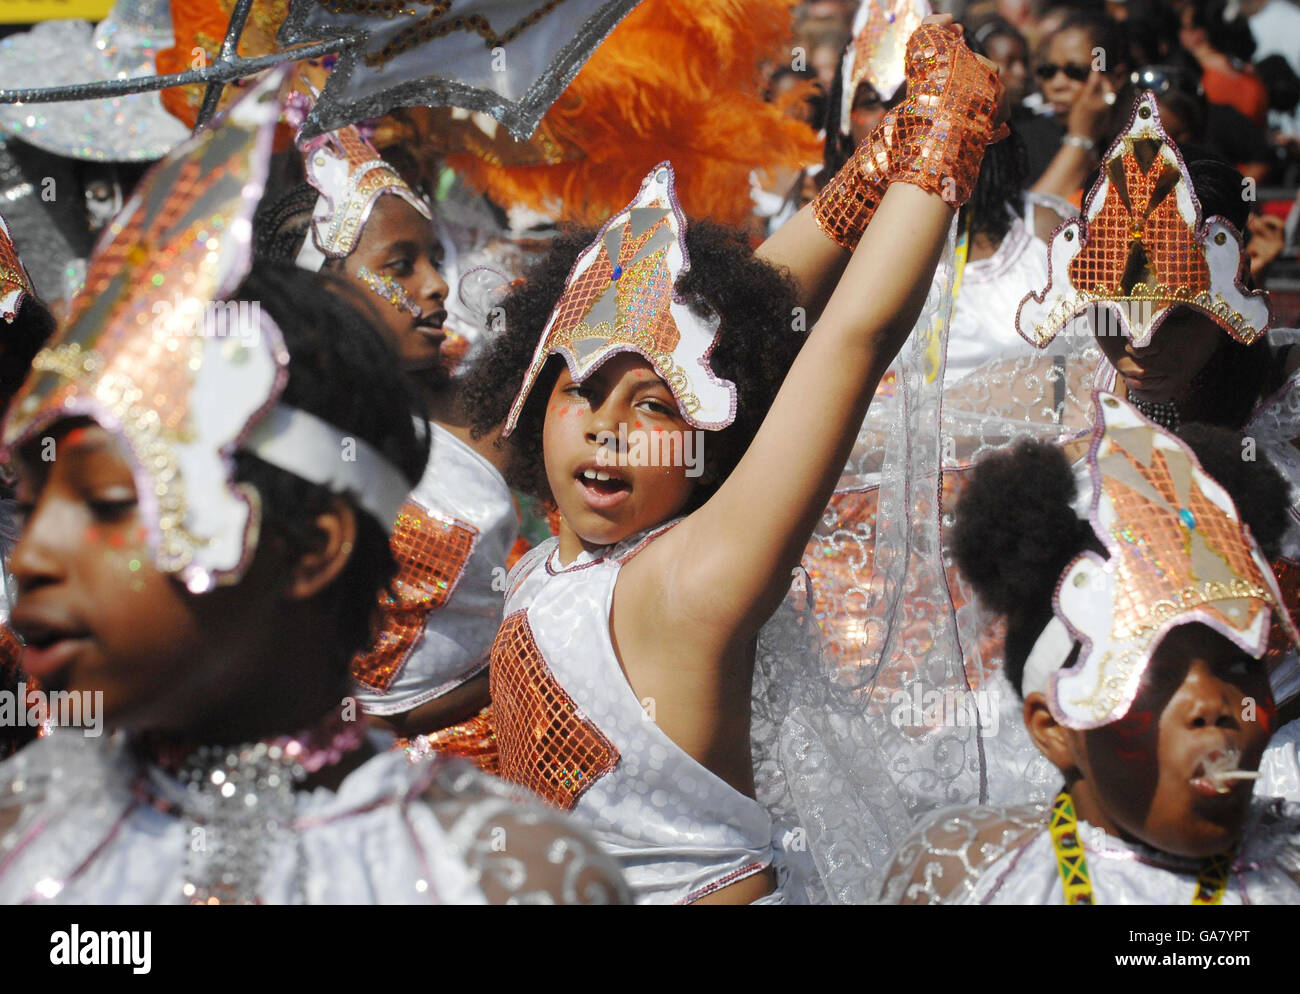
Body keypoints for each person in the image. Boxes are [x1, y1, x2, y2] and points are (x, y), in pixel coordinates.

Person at [0, 79, 626, 905]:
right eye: (42, 504)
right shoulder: (26, 834)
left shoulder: (499, 876)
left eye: (113, 507)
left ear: (316, 544)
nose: (38, 557)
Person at [462, 17, 1006, 903]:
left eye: (654, 407)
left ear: (710, 439)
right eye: (580, 392)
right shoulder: (556, 558)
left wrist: (948, 134)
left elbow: (849, 341)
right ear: (533, 399)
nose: (607, 427)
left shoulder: (683, 585)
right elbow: (742, 304)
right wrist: (871, 171)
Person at [880, 394, 1300, 903]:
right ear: (1054, 730)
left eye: (1238, 665)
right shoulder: (965, 877)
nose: (1213, 704)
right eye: (1157, 672)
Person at [255, 103, 516, 768]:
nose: (435, 285)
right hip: (315, 776)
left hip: (486, 775)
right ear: (322, 288)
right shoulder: (251, 442)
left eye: (435, 257)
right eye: (399, 266)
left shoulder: (473, 408)